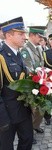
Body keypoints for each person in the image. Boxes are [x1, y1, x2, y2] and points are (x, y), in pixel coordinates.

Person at [0, 16, 33, 150]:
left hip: (23, 110)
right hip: (7, 113)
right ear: (8, 35)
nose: (24, 37)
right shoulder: (1, 56)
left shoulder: (18, 54)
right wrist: (3, 119)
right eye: (20, 34)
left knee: (27, 140)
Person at [20, 26, 45, 144]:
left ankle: (35, 126)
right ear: (32, 35)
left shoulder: (39, 48)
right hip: (32, 84)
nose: (41, 39)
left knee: (41, 108)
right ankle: (30, 131)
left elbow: (42, 65)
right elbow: (29, 69)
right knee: (32, 109)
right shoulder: (26, 50)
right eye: (39, 36)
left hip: (40, 82)